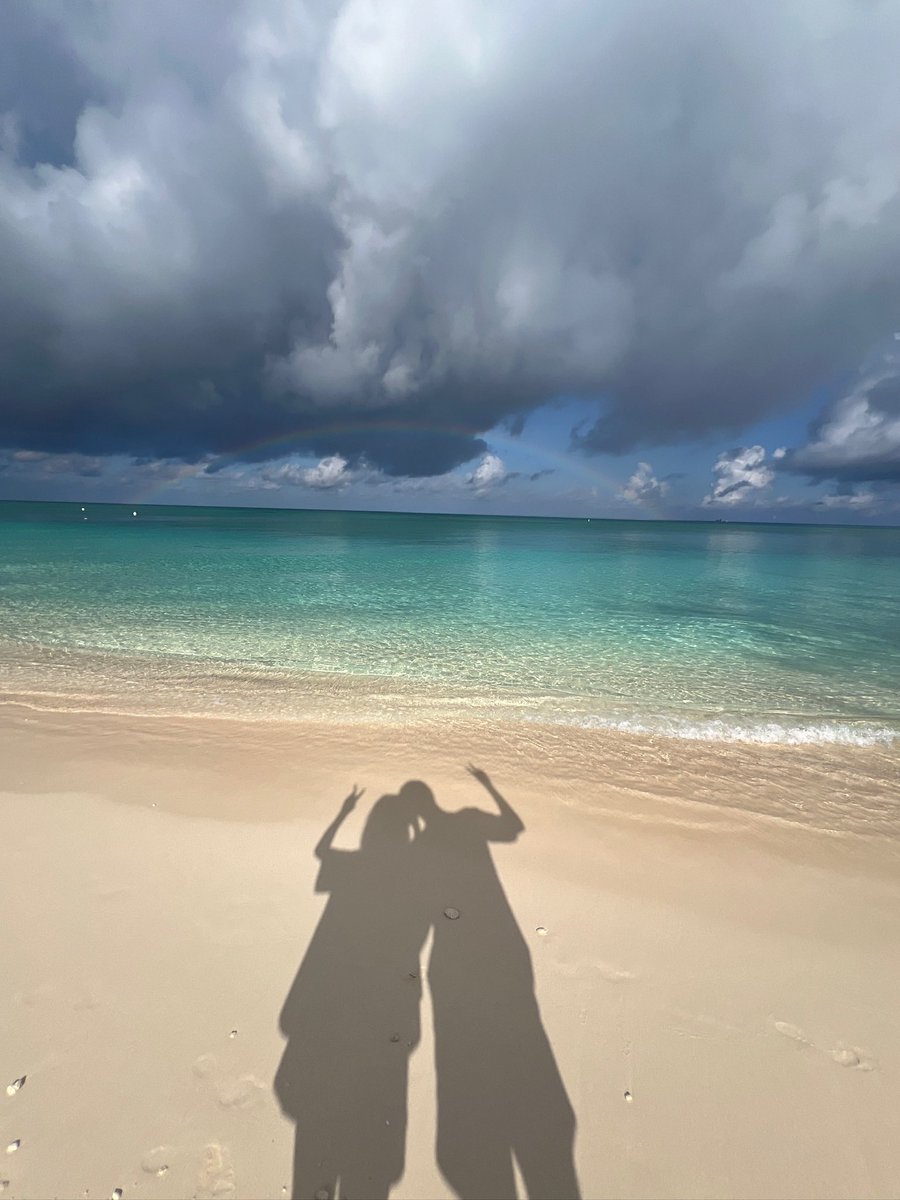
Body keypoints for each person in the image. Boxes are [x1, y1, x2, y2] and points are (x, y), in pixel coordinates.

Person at [404, 767, 580, 1200]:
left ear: (413, 812)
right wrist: (488, 786)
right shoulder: (466, 820)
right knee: (520, 1019)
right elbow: (514, 827)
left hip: (453, 953)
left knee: (474, 1035)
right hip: (503, 940)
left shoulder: (420, 845)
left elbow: (411, 908)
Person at [274, 786, 428, 1200]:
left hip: (332, 999)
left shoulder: (351, 865)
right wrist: (421, 824)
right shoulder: (409, 868)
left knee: (313, 1157)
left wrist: (343, 812)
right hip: (386, 1000)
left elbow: (321, 851)